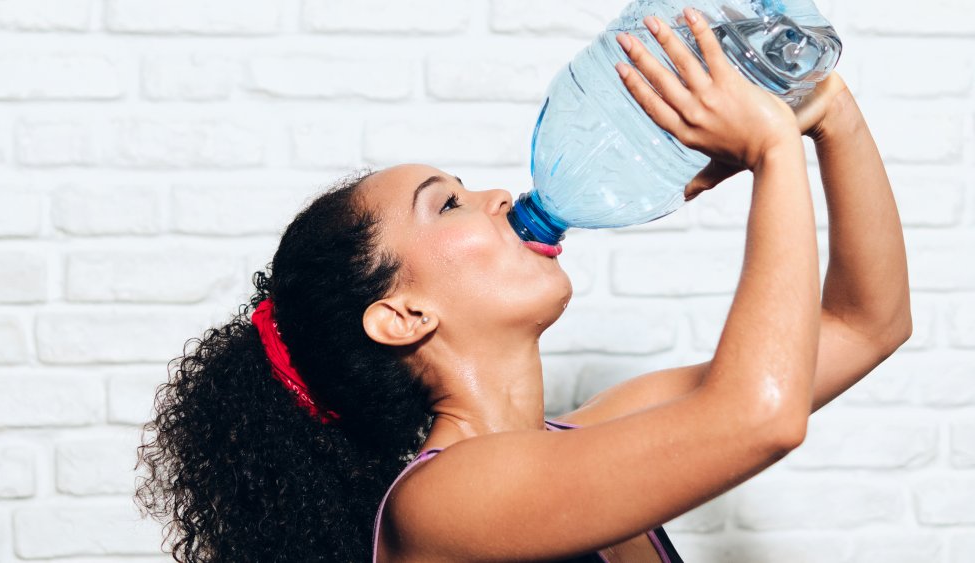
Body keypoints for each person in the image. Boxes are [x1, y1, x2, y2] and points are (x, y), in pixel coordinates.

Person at [136, 8, 911, 563]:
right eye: (447, 203)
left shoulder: (587, 438)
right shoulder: (438, 504)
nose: (500, 195)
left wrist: (828, 116)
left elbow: (865, 324)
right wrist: (773, 154)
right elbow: (759, 418)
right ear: (402, 314)